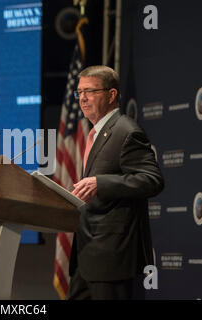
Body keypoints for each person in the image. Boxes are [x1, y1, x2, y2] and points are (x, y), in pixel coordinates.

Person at [68, 65, 164, 300]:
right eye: (79, 93)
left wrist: (101, 183)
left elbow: (152, 180)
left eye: (90, 91)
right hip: (86, 252)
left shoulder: (126, 131)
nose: (83, 99)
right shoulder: (96, 133)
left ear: (111, 95)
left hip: (111, 256)